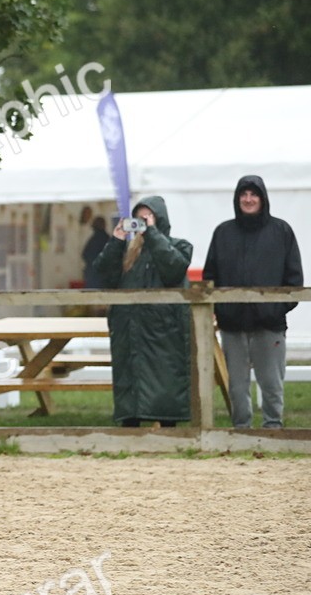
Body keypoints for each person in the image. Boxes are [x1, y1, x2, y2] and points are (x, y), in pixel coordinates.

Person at [203, 175, 303, 429]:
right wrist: (222, 310)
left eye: (253, 194)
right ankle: (241, 430)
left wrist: (274, 310)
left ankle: (273, 428)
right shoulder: (223, 233)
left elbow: (294, 280)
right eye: (244, 195)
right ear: (237, 199)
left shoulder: (281, 231)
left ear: (262, 198)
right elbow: (209, 277)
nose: (248, 199)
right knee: (237, 385)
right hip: (232, 326)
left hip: (270, 325)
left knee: (271, 382)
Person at [93, 196, 193, 427]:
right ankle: (130, 426)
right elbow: (105, 275)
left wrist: (152, 234)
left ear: (160, 219)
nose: (142, 222)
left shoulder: (179, 246)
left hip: (164, 332)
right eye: (139, 218)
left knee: (166, 383)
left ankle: (168, 428)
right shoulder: (129, 252)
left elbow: (173, 269)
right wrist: (116, 241)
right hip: (130, 329)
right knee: (130, 380)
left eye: (148, 217)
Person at [81, 215, 111, 288]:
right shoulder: (107, 239)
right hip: (103, 276)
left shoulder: (93, 239)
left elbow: (84, 254)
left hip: (92, 275)